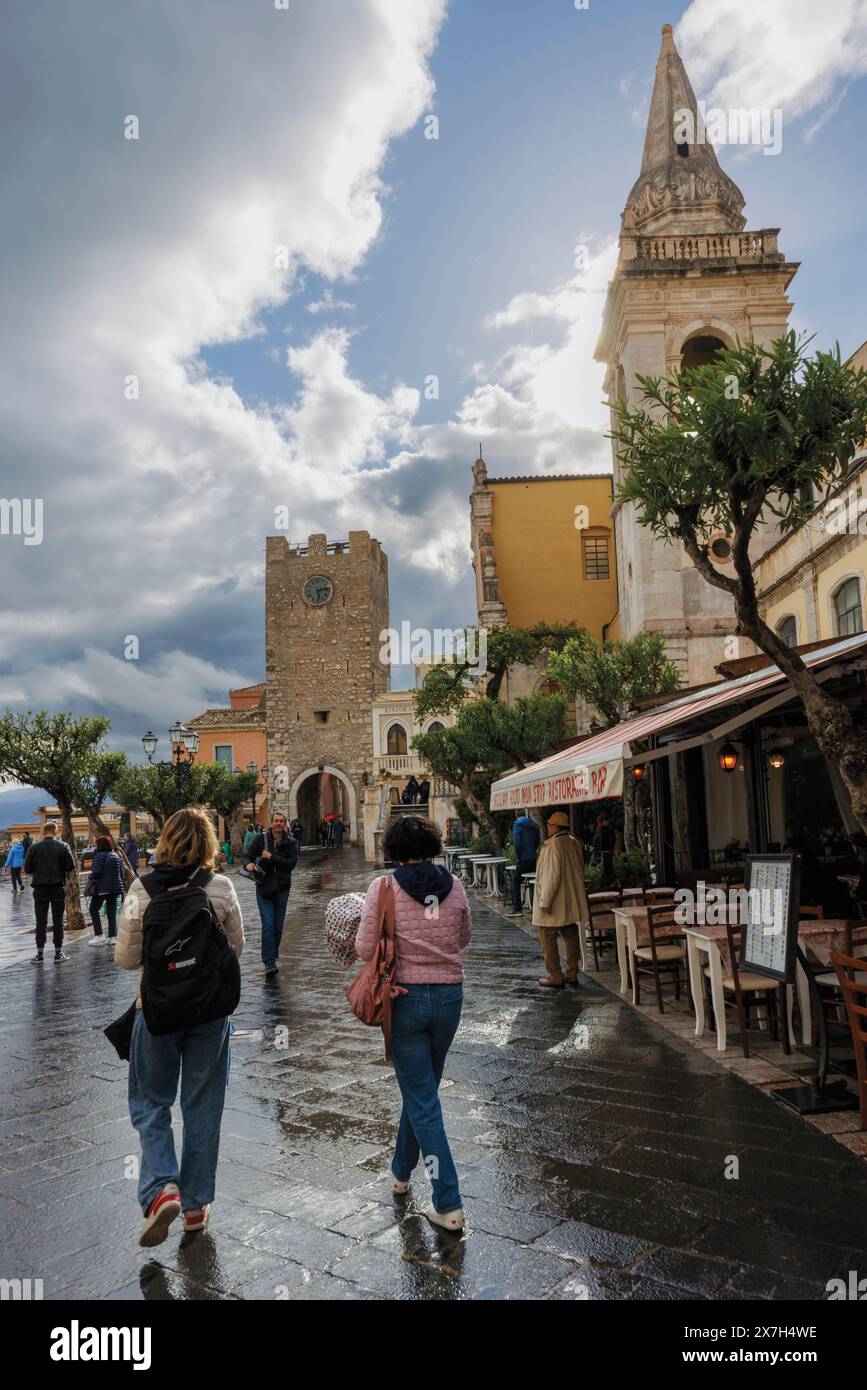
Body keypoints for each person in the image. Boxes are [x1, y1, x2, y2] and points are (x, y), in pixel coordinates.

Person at [116, 806, 244, 1245]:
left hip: (156, 1011)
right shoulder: (221, 887)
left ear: (166, 839)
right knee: (203, 1104)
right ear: (209, 843)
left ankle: (159, 1189)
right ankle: (194, 1206)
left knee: (151, 1100)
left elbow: (126, 959)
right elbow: (237, 949)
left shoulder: (140, 888)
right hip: (209, 1013)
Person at [356, 815, 471, 1232]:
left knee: (423, 1099)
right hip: (449, 997)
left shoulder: (383, 887)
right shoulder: (454, 885)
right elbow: (463, 938)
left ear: (394, 849)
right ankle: (401, 1172)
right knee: (422, 1092)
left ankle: (449, 1201)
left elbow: (365, 948)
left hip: (403, 1000)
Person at [532, 810, 590, 990]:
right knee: (570, 933)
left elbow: (552, 875)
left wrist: (545, 901)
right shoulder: (573, 842)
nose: (548, 827)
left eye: (550, 824)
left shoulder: (554, 845)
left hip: (555, 901)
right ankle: (572, 972)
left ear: (556, 827)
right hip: (569, 899)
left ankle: (555, 975)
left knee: (547, 936)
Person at [245, 811, 299, 977]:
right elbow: (247, 856)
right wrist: (248, 865)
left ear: (284, 824)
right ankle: (269, 962)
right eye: (276, 821)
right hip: (264, 887)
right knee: (268, 925)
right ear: (271, 823)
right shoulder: (261, 839)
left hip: (282, 888)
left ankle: (272, 956)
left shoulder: (290, 842)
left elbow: (291, 865)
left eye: (281, 821)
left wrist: (272, 857)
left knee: (278, 926)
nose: (278, 824)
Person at [24, 821, 76, 963]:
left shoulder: (34, 847)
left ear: (43, 832)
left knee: (40, 921)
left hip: (40, 888)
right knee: (58, 921)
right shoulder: (63, 846)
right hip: (57, 887)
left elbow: (27, 869)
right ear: (56, 832)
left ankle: (39, 954)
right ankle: (58, 953)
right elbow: (70, 866)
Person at [87, 834, 125, 946]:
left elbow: (97, 872)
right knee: (111, 913)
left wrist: (91, 876)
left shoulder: (99, 855)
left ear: (100, 845)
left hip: (102, 888)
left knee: (93, 909)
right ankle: (112, 937)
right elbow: (121, 874)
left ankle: (99, 935)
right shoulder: (115, 855)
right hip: (115, 888)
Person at [509, 811, 541, 915]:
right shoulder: (533, 824)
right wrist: (533, 850)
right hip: (533, 858)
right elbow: (538, 840)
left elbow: (517, 843)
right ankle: (534, 907)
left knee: (515, 881)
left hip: (523, 858)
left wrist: (519, 856)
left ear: (515, 815)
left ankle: (517, 908)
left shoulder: (517, 825)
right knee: (533, 881)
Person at [592, 812, 616, 887]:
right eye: (607, 820)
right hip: (605, 855)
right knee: (606, 874)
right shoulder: (605, 831)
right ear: (603, 821)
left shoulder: (598, 831)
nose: (608, 822)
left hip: (600, 855)